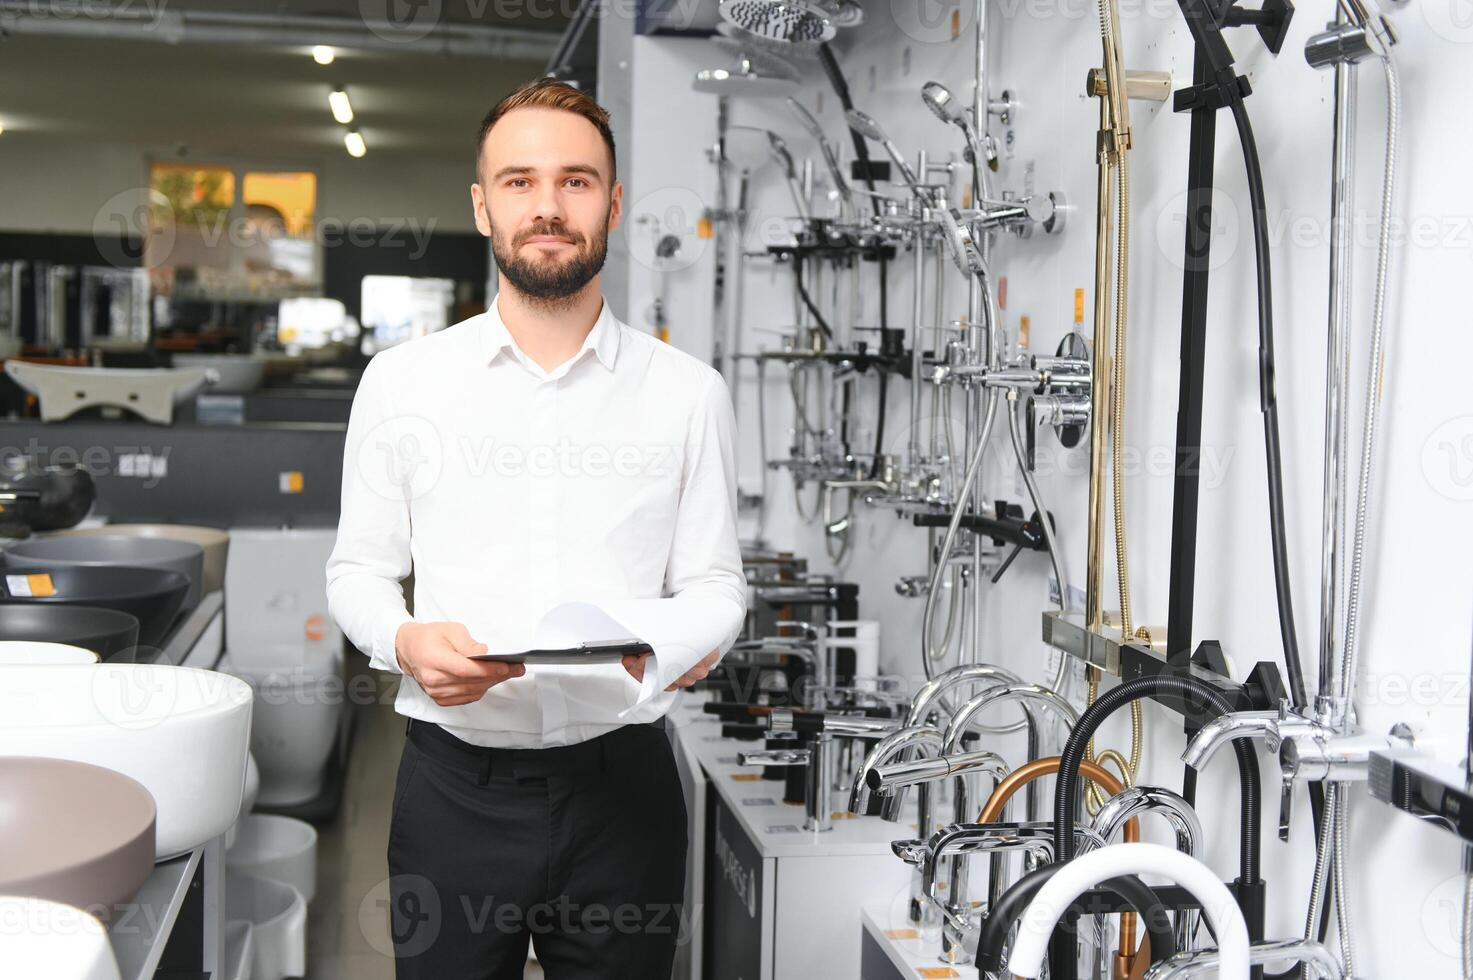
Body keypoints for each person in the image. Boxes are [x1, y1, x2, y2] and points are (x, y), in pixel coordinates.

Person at [325, 77, 746, 979]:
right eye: (518, 182)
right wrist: (403, 639)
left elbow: (716, 585)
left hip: (624, 791)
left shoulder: (688, 393)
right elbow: (357, 569)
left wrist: (674, 640)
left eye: (575, 181)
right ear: (482, 207)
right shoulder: (403, 385)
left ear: (613, 203)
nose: (547, 207)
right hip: (453, 792)